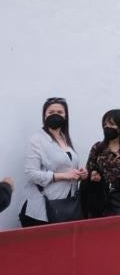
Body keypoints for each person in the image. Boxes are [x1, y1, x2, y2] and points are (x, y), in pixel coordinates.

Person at [21, 97, 85, 227]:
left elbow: (68, 169)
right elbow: (30, 173)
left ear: (66, 116)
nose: (55, 115)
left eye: (60, 112)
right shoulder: (37, 140)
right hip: (42, 211)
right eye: (51, 112)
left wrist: (80, 174)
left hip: (67, 207)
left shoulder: (65, 139)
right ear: (44, 115)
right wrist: (62, 176)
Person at [83, 109, 120, 218]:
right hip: (100, 200)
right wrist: (94, 175)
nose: (107, 127)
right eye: (105, 124)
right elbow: (89, 169)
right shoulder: (98, 148)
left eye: (111, 124)